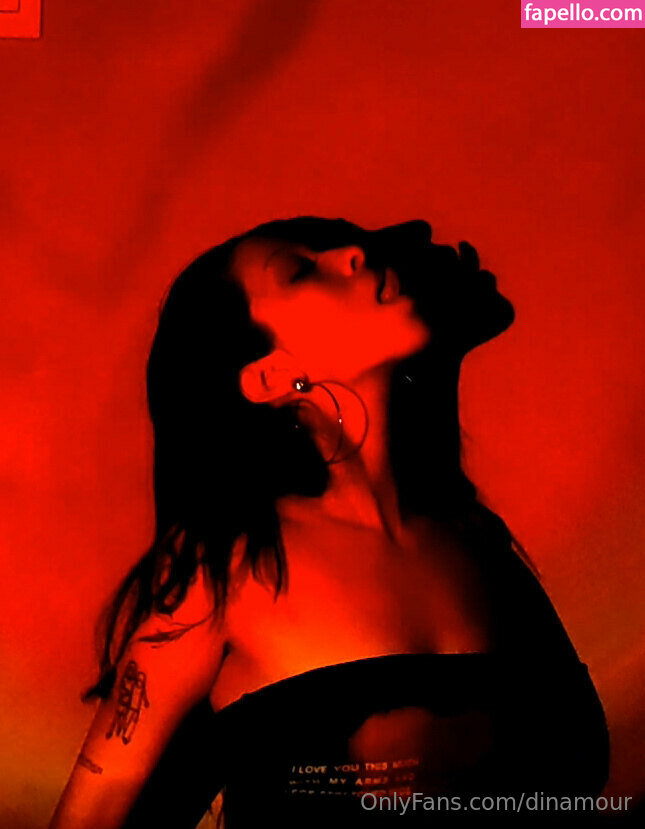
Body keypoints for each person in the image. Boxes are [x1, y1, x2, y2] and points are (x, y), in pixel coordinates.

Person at [48, 217, 609, 829]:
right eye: (300, 270)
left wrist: (446, 347)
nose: (352, 253)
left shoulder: (475, 540)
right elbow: (93, 816)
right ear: (269, 377)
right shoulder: (223, 567)